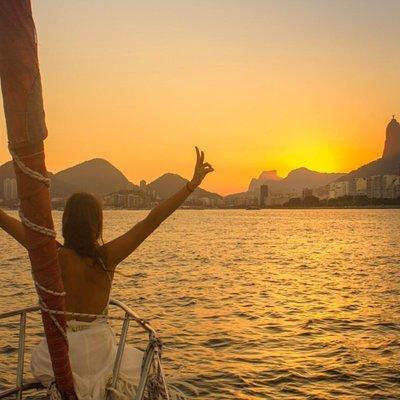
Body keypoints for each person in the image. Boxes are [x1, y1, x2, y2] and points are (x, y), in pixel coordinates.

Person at [0, 147, 214, 400]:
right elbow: (151, 221)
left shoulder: (53, 256)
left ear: (66, 221)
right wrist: (190, 186)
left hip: (62, 353)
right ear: (97, 223)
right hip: (102, 351)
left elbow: (7, 222)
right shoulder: (106, 258)